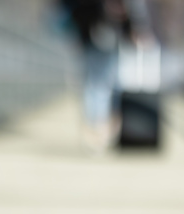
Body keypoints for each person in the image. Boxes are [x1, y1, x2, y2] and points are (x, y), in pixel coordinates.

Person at [59, 0, 151, 151]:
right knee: (99, 85)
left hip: (105, 39)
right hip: (93, 37)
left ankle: (99, 128)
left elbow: (133, 12)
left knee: (104, 84)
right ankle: (97, 128)